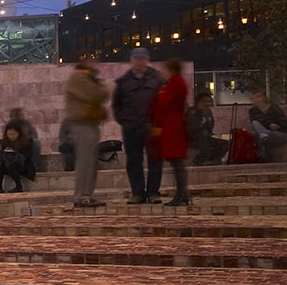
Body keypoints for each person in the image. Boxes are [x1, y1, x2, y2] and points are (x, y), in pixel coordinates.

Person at [113, 48, 165, 203]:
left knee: (155, 161)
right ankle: (138, 193)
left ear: (147, 60)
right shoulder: (123, 82)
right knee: (134, 161)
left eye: (142, 58)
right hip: (132, 128)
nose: (139, 62)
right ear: (131, 60)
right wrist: (125, 121)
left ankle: (153, 193)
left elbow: (164, 102)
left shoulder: (157, 79)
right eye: (136, 59)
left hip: (152, 127)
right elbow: (117, 105)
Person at [64, 55, 111, 208]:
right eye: (91, 60)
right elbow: (95, 95)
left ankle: (87, 194)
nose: (95, 63)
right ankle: (80, 196)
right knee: (85, 161)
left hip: (91, 123)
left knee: (91, 162)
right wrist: (103, 89)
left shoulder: (90, 78)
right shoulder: (78, 77)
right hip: (82, 124)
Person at [151, 58, 192, 206]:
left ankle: (182, 195)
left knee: (177, 163)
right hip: (171, 126)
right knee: (176, 163)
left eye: (164, 69)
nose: (162, 72)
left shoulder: (175, 84)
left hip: (173, 127)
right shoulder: (173, 83)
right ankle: (181, 194)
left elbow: (163, 104)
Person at [0, 120, 37, 193]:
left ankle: (19, 186)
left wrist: (15, 152)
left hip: (22, 165)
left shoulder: (27, 141)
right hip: (8, 163)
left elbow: (28, 156)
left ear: (19, 133)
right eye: (9, 134)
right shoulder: (5, 141)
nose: (11, 136)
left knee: (9, 164)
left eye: (13, 134)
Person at [188, 91, 224, 165]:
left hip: (207, 137)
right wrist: (199, 116)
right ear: (199, 102)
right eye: (205, 101)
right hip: (193, 138)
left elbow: (210, 126)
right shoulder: (192, 111)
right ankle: (200, 160)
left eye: (209, 102)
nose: (208, 104)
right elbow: (190, 128)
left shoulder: (208, 112)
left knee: (225, 144)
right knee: (202, 134)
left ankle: (212, 160)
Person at [6, 108, 42, 176]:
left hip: (26, 144)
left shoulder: (27, 124)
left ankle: (35, 167)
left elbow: (34, 135)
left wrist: (27, 140)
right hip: (15, 145)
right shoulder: (9, 125)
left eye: (19, 115)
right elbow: (6, 138)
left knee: (36, 142)